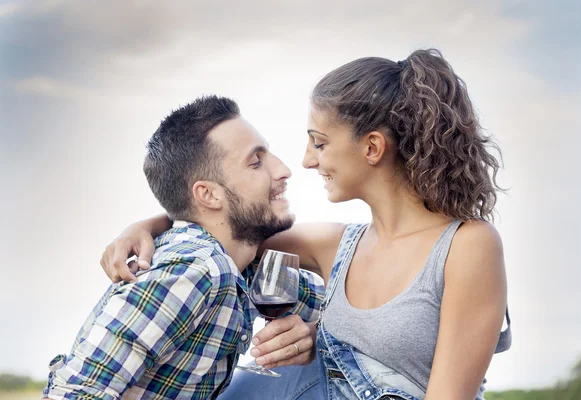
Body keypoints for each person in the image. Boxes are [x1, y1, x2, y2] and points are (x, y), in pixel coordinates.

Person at [102, 49, 511, 400]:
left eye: (319, 142)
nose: (306, 160)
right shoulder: (335, 245)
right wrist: (148, 225)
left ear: (372, 147)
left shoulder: (467, 245)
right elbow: (228, 225)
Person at [42, 95, 323, 400]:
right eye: (256, 162)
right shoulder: (197, 267)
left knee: (329, 361)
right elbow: (76, 393)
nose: (284, 170)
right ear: (209, 195)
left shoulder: (245, 267)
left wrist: (315, 334)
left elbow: (344, 314)